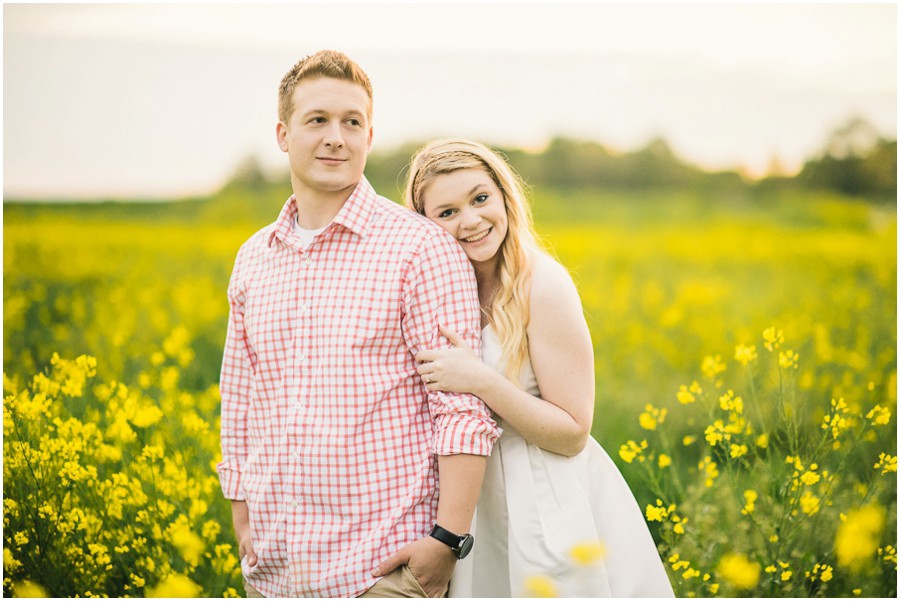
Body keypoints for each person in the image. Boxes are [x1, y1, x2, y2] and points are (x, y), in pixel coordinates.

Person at [217, 53, 500, 598]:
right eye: (317, 120)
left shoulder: (421, 249)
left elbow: (461, 408)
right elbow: (241, 393)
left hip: (381, 569)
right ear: (283, 133)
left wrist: (446, 540)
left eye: (352, 122)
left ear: (369, 135)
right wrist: (241, 506)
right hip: (275, 568)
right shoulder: (254, 257)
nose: (336, 138)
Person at [394, 138, 675, 597]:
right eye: (447, 213)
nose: (471, 221)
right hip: (469, 502)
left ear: (505, 195)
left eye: (480, 198)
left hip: (544, 496)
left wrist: (480, 381)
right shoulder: (439, 292)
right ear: (424, 224)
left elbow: (573, 432)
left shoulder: (543, 285)